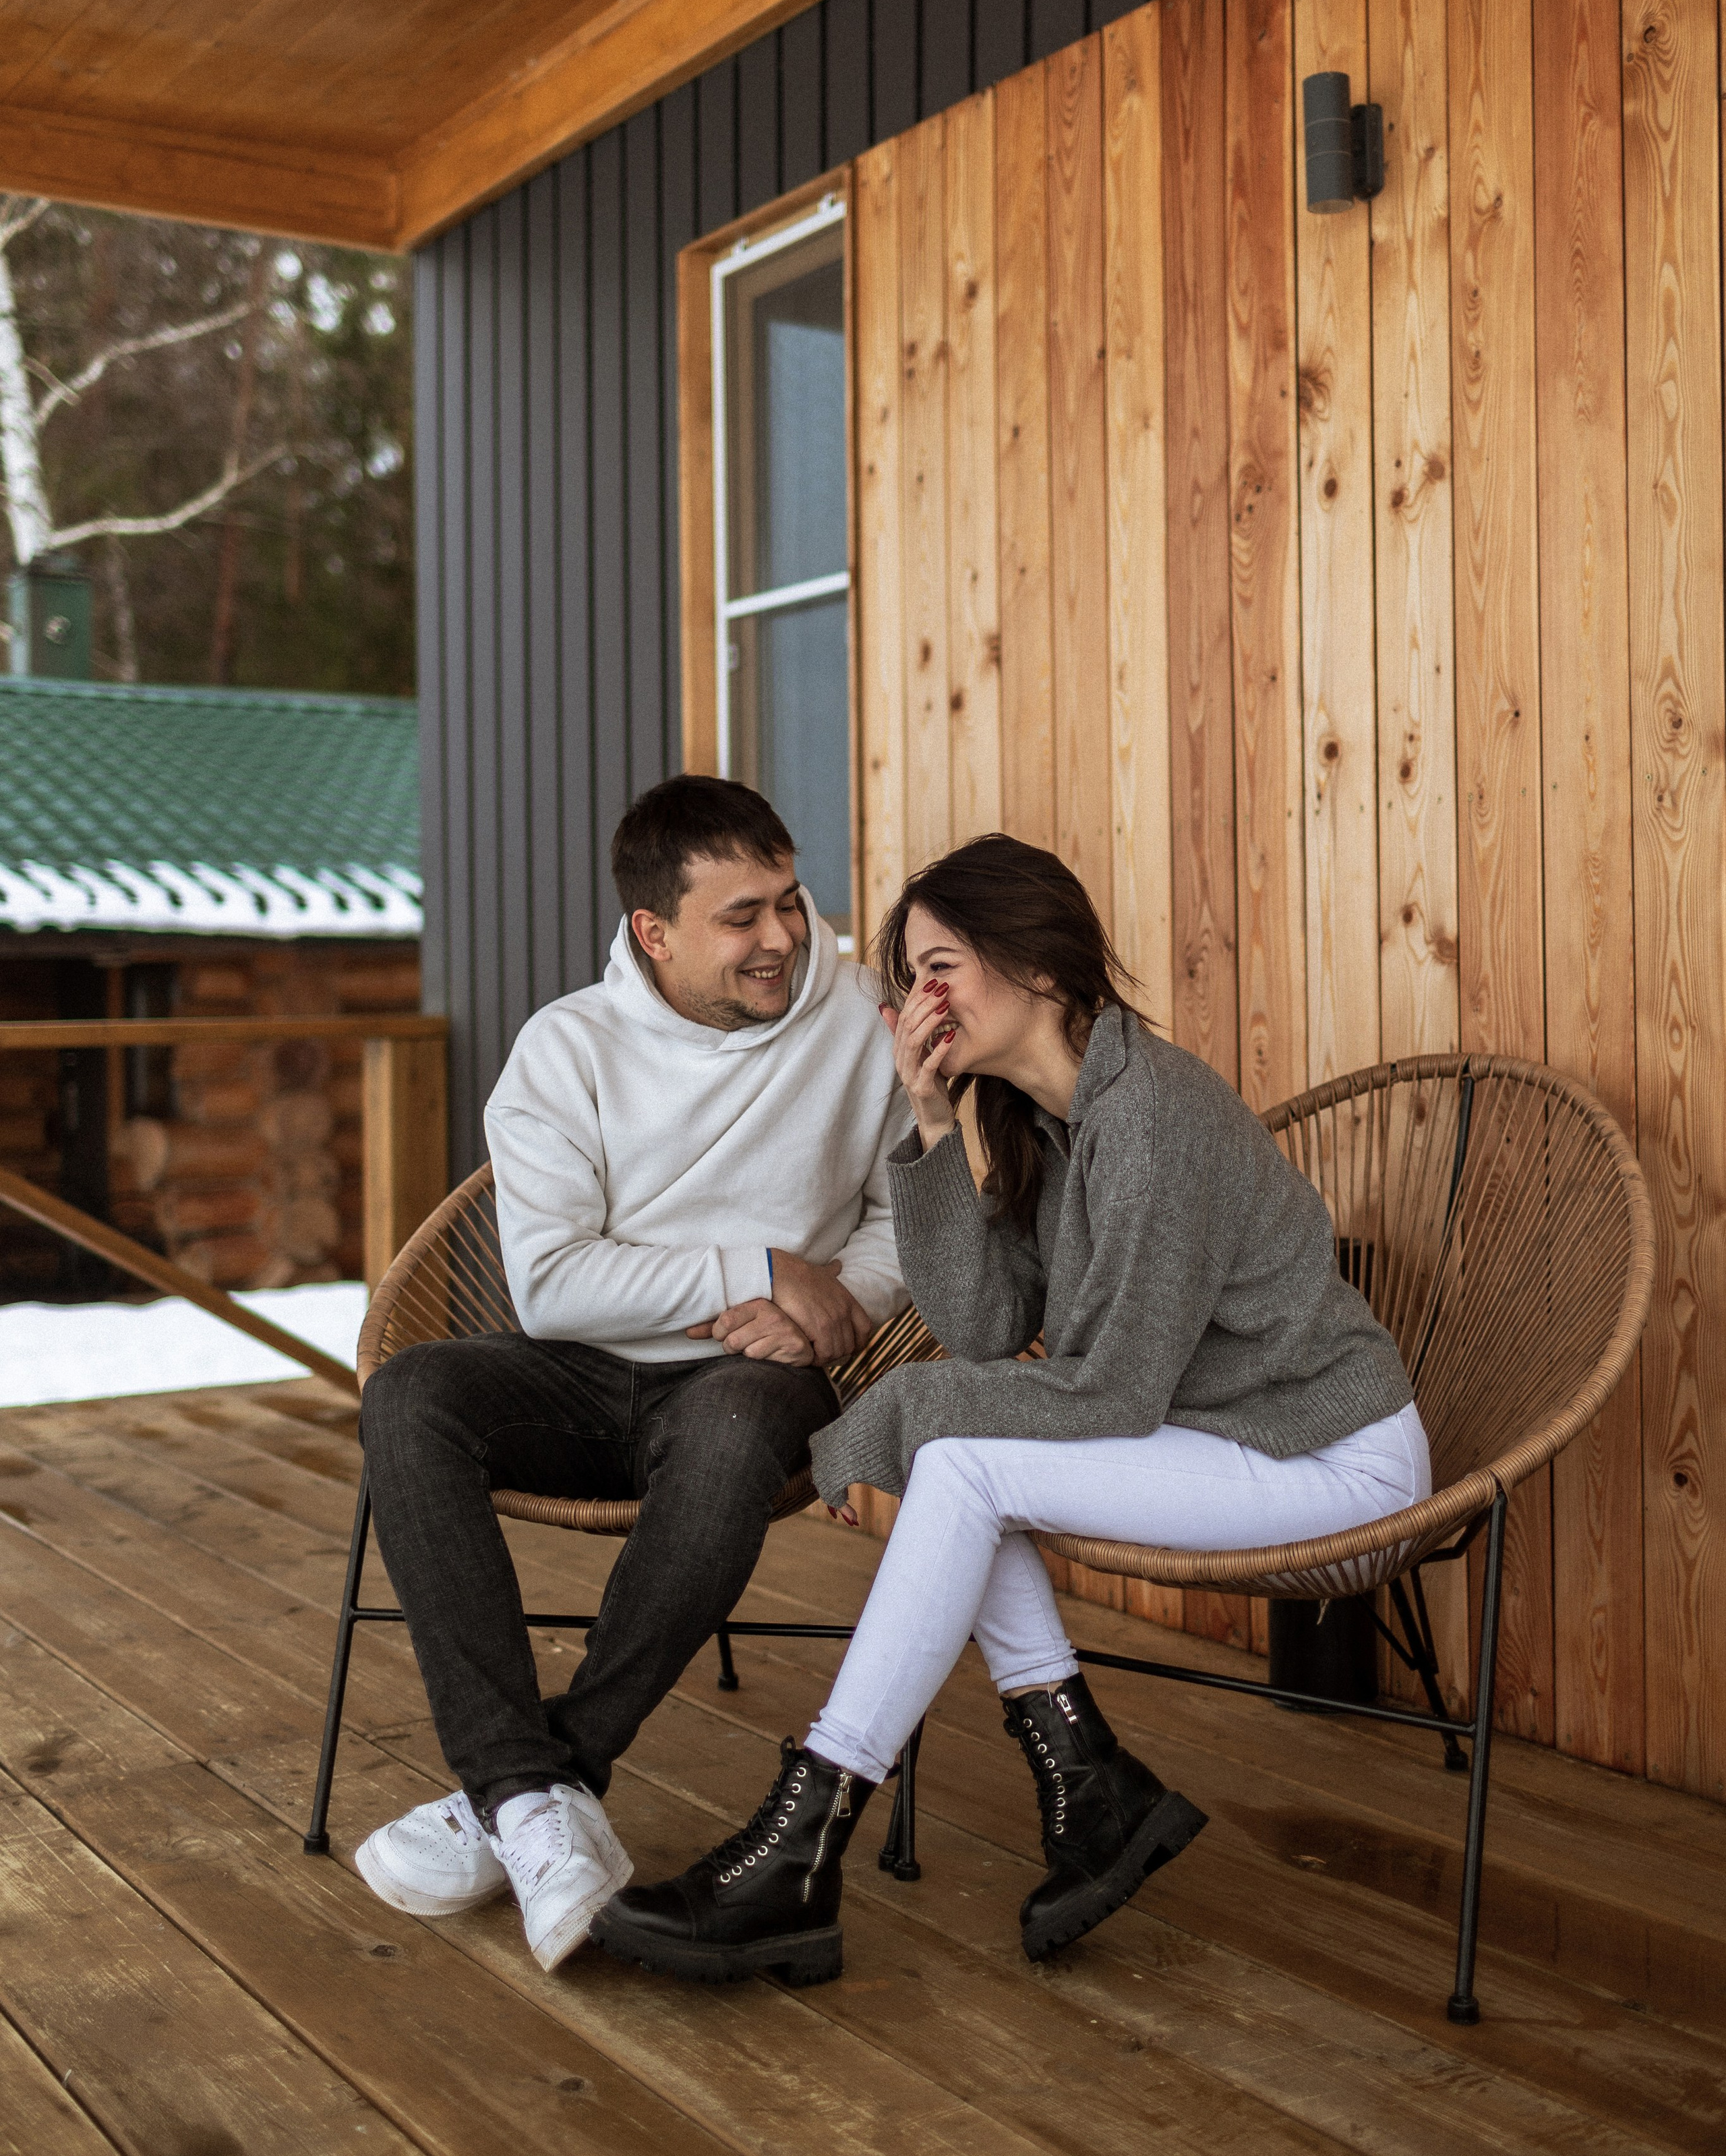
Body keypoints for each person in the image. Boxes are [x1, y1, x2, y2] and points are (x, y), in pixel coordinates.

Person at [594, 834, 1427, 1987]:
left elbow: (1113, 1390)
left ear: (1037, 964)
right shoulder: (1051, 1120)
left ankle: (807, 1840)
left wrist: (871, 1424)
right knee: (965, 1463)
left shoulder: (1151, 1118)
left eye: (941, 966)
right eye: (910, 978)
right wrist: (933, 1126)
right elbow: (986, 1327)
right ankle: (1083, 1792)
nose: (919, 1000)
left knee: (964, 1465)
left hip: (1330, 1451)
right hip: (1228, 1436)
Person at [353, 776, 907, 1972]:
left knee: (727, 1432)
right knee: (413, 1395)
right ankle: (526, 1795)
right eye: (742, 917)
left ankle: (532, 1791)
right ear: (654, 933)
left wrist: (844, 1299)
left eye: (791, 902)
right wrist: (759, 1260)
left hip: (752, 1381)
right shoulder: (567, 1048)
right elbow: (554, 1284)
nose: (782, 939)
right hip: (583, 1374)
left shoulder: (863, 1017)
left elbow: (907, 1209)